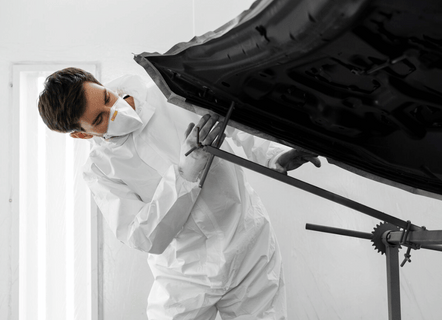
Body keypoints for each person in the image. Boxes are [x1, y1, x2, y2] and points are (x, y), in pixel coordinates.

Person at [38, 67, 320, 320]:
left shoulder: (168, 93)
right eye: (100, 118)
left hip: (248, 246)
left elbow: (234, 124)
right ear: (81, 134)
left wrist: (277, 155)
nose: (116, 109)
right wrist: (186, 171)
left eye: (108, 97)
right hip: (185, 274)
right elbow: (143, 235)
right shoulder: (100, 170)